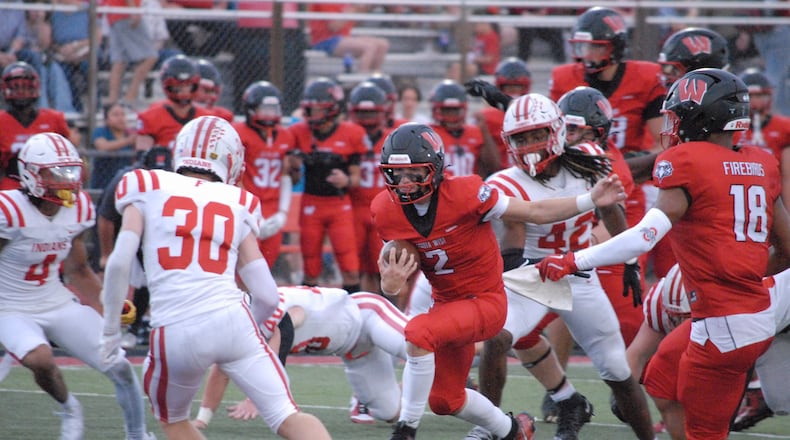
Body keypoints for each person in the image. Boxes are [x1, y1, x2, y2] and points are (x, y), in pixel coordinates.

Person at [536, 68, 790, 440]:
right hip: (747, 306)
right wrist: (743, 275)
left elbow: (643, 237)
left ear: (702, 118)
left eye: (679, 115)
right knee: (661, 378)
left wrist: (574, 260)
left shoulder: (687, 161)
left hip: (727, 325)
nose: (670, 126)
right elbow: (786, 249)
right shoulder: (760, 161)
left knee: (705, 431)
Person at [370, 122, 627, 440]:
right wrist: (390, 284)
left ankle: (405, 430)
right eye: (399, 176)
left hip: (485, 301)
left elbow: (534, 210)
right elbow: (392, 284)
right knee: (445, 400)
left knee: (418, 331)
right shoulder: (385, 209)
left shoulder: (465, 193)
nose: (406, 184)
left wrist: (590, 199)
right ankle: (512, 431)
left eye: (415, 174)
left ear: (434, 170)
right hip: (447, 306)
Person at [100, 115, 332, 440]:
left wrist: (111, 330)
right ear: (231, 159)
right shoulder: (238, 201)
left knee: (176, 421)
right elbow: (266, 294)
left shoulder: (145, 185)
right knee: (287, 416)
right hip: (231, 319)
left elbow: (119, 262)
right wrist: (254, 334)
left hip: (174, 329)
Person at [472, 92, 652, 440]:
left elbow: (611, 208)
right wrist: (527, 271)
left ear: (556, 132)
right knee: (498, 336)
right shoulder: (505, 182)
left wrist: (628, 258)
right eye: (520, 139)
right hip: (530, 273)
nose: (529, 145)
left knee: (616, 369)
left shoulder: (588, 160)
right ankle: (490, 427)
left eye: (536, 135)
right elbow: (512, 244)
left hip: (580, 273)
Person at [0, 133, 153, 440]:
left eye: (71, 171)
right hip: (8, 306)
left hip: (54, 299)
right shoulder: (9, 210)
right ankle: (69, 406)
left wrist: (107, 304)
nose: (66, 181)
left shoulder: (79, 206)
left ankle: (138, 435)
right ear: (31, 174)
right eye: (55, 174)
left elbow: (77, 269)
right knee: (41, 359)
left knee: (119, 364)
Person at [192, 286, 409, 428]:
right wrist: (202, 420)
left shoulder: (264, 307)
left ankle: (431, 320)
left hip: (366, 315)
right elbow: (221, 369)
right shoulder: (238, 328)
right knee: (391, 413)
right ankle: (384, 390)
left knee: (420, 348)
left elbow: (286, 324)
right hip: (354, 350)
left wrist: (256, 397)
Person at [289, 77, 367, 291]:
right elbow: (292, 178)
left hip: (339, 205)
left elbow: (357, 179)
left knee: (350, 266)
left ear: (332, 109)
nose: (312, 115)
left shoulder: (351, 133)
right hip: (311, 203)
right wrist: (294, 167)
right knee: (311, 268)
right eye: (310, 109)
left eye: (318, 110)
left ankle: (353, 313)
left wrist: (346, 181)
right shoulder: (298, 133)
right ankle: (308, 316)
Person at [96, 146, 173, 348]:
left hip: (149, 231)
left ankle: (136, 326)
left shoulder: (175, 180)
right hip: (120, 228)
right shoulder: (127, 180)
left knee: (148, 278)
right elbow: (106, 217)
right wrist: (106, 253)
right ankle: (109, 326)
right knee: (116, 272)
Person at [235, 81, 300, 266]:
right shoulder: (240, 133)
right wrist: (249, 212)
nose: (270, 114)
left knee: (267, 264)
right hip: (247, 204)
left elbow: (288, 175)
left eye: (273, 109)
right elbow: (235, 176)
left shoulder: (286, 136)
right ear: (251, 108)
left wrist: (282, 212)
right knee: (244, 267)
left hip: (273, 207)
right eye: (265, 109)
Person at [347, 81, 393, 293]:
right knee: (354, 265)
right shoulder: (346, 135)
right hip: (354, 207)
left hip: (383, 207)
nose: (366, 119)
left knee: (382, 266)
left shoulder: (392, 136)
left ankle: (386, 308)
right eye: (362, 114)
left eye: (370, 113)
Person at [0, 62, 74, 191]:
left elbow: (69, 157)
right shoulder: (2, 121)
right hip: (13, 184)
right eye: (16, 87)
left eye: (25, 87)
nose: (21, 92)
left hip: (49, 184)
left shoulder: (54, 119)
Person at [231, 1, 307, 115]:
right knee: (248, 84)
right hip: (249, 30)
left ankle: (286, 115)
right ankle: (243, 115)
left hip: (287, 31)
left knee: (287, 84)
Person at [734, 68, 790, 206]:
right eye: (750, 96)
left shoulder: (783, 127)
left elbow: (787, 177)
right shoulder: (733, 128)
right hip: (739, 192)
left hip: (775, 195)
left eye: (759, 96)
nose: (754, 102)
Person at [134, 54, 211, 151]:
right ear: (168, 86)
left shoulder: (206, 118)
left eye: (188, 85)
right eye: (178, 87)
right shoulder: (150, 117)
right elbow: (143, 156)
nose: (184, 91)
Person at [428, 79, 497, 178]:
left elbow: (493, 166)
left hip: (469, 190)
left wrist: (484, 131)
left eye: (455, 110)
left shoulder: (475, 132)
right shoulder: (430, 135)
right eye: (447, 110)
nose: (451, 115)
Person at [474, 57, 532, 172]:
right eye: (509, 87)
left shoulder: (535, 112)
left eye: (517, 87)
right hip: (498, 172)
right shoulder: (487, 116)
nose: (513, 92)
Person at [104, 0, 158, 107]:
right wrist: (133, 10)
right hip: (126, 13)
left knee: (119, 61)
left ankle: (112, 101)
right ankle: (130, 97)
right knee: (150, 57)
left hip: (114, 14)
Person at [308, 3, 389, 73]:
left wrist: (365, 7)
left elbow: (355, 23)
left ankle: (376, 78)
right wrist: (353, 8)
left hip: (343, 38)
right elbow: (334, 27)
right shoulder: (326, 2)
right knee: (369, 47)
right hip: (325, 40)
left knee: (382, 44)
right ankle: (362, 81)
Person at [90, 101, 137, 190]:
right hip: (102, 184)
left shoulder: (129, 133)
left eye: (122, 115)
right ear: (106, 120)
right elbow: (103, 146)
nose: (120, 118)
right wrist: (128, 141)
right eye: (115, 115)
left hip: (125, 184)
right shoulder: (100, 131)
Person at [194, 58, 233, 122]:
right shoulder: (178, 112)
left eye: (215, 92)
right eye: (206, 90)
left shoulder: (223, 116)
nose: (213, 96)